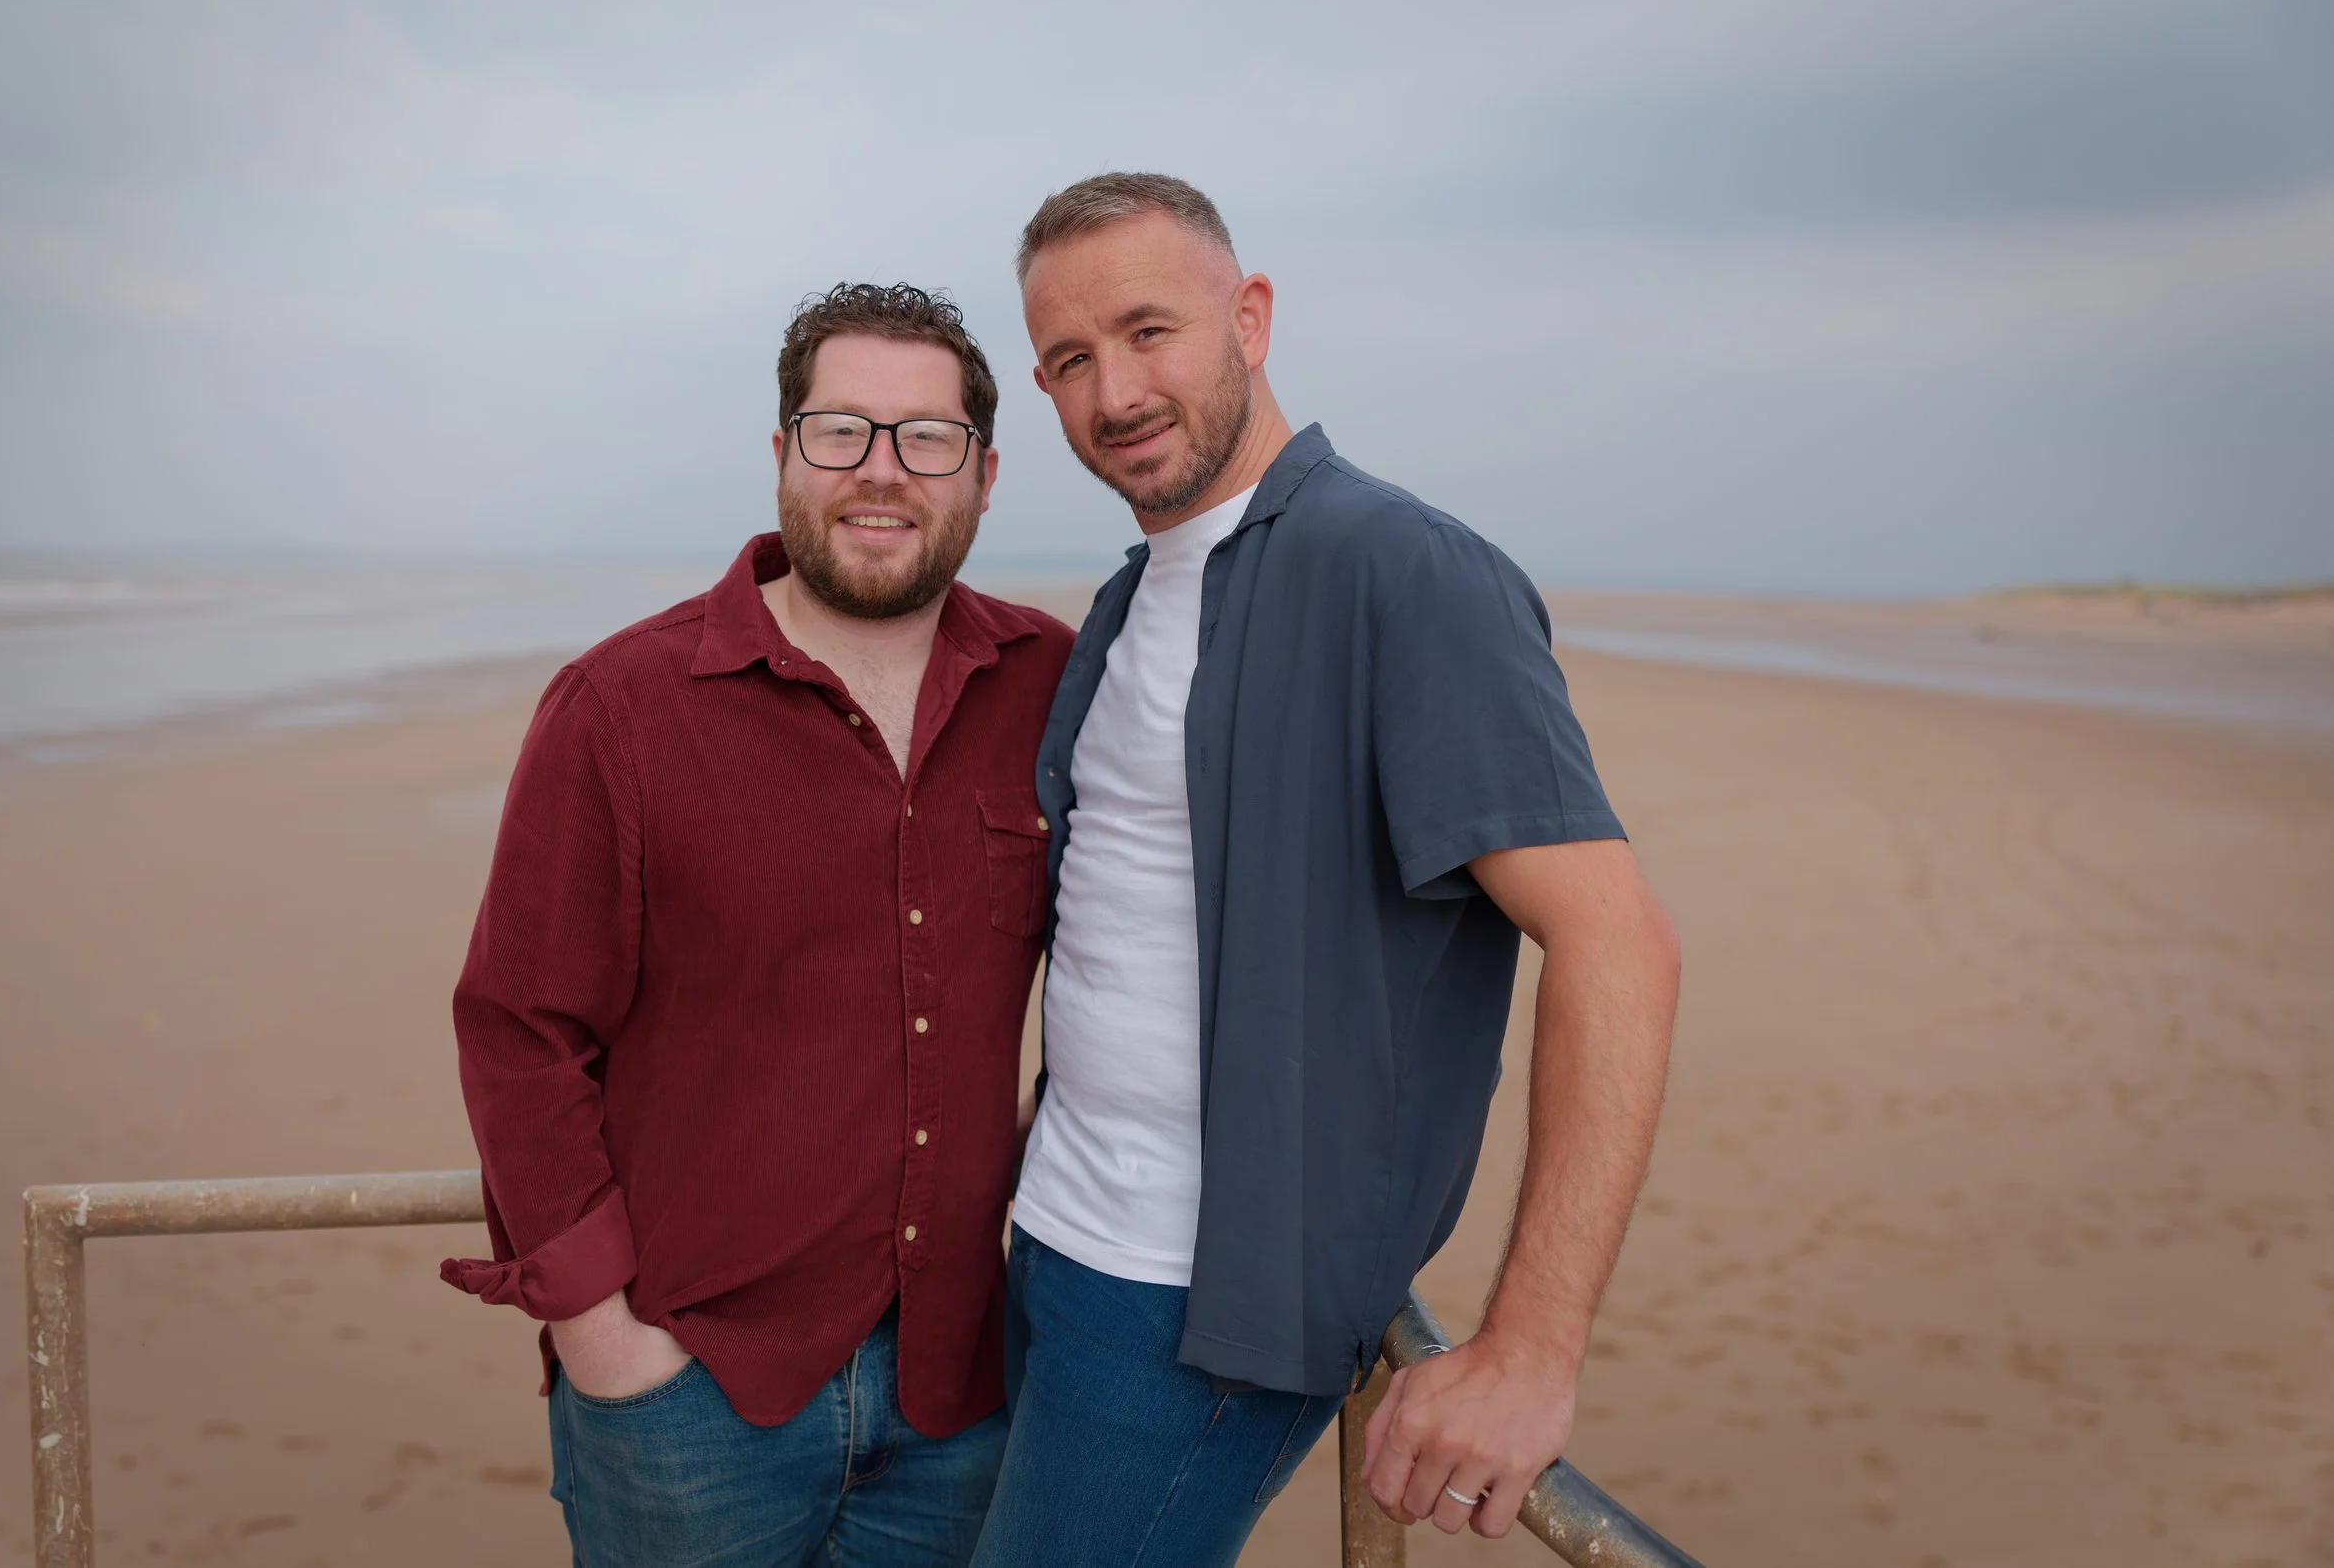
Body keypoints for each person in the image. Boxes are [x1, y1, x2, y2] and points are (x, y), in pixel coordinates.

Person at [970, 175, 1683, 1566]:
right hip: (1054, 1231)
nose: (1112, 390)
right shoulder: (1130, 596)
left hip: (1201, 1294)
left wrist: (1530, 1347)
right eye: (1068, 358)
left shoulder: (1403, 569)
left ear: (1251, 316)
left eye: (1147, 330)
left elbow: (1619, 942)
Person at [442, 282, 1074, 1568]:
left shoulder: (1054, 689)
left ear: (986, 473)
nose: (881, 471)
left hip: (965, 1389)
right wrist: (603, 1340)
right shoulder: (620, 705)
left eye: (927, 438)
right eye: (841, 429)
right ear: (782, 451)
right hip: (691, 1398)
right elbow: (520, 1028)